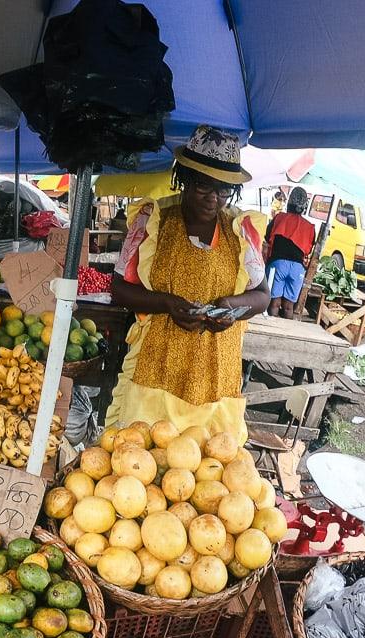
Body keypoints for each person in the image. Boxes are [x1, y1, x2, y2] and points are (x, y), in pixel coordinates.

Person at [107, 125, 270, 441]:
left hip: (216, 371)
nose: (213, 199)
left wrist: (231, 306)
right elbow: (119, 287)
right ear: (183, 178)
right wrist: (168, 304)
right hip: (156, 365)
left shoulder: (240, 230)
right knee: (141, 455)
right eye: (203, 187)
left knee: (207, 466)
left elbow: (263, 295)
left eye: (223, 190)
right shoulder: (153, 220)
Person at [264, 186, 315, 319]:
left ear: (289, 203)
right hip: (297, 269)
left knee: (274, 303)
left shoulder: (279, 218)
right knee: (289, 306)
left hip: (278, 265)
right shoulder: (310, 227)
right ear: (304, 206)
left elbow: (267, 236)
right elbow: (308, 249)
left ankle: (272, 332)